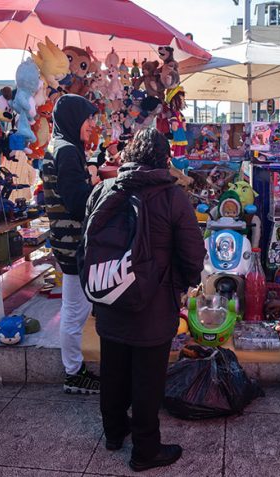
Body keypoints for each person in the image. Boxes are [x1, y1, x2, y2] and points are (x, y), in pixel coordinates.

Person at [85, 129, 205, 472]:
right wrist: (179, 284)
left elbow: (87, 247)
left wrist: (98, 287)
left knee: (113, 368)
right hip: (153, 303)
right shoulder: (172, 196)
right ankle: (145, 450)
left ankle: (113, 432)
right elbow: (192, 253)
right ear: (164, 158)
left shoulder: (102, 190)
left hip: (109, 295)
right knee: (147, 379)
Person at [42, 94, 100, 394]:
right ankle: (74, 373)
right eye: (88, 118)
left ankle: (74, 370)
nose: (92, 124)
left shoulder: (63, 147)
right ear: (73, 118)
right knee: (75, 312)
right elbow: (79, 203)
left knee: (75, 308)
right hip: (72, 243)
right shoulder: (66, 152)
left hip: (68, 242)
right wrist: (97, 184)